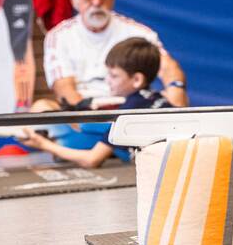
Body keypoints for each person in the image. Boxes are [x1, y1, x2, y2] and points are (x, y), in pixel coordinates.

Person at [33, 0, 188, 112]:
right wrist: (91, 121)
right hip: (84, 112)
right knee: (40, 108)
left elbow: (169, 68)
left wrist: (176, 89)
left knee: (177, 98)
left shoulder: (140, 33)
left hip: (133, 110)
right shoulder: (59, 37)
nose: (96, 2)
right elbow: (64, 90)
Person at [21, 37, 172, 167]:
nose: (107, 80)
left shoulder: (128, 113)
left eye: (114, 76)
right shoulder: (156, 98)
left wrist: (44, 145)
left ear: (137, 80)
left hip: (161, 164)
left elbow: (92, 160)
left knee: (83, 128)